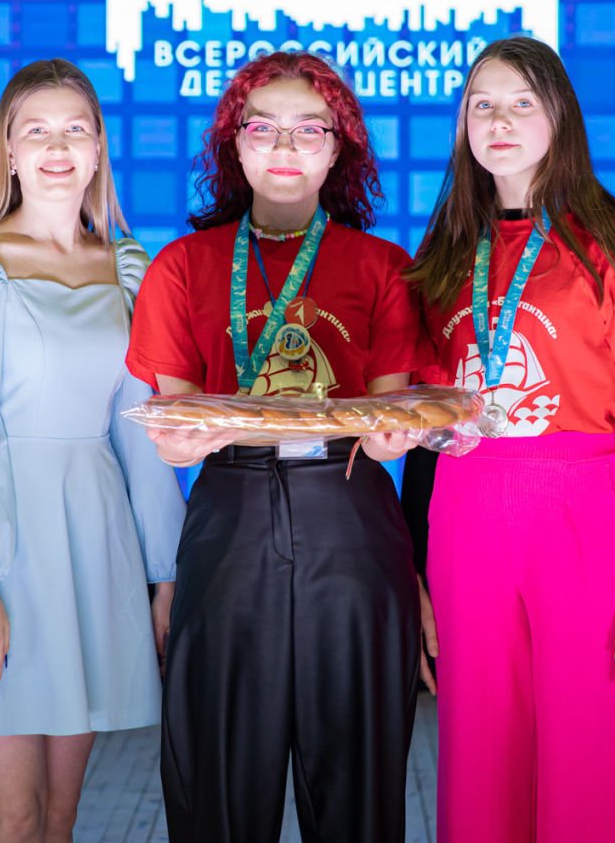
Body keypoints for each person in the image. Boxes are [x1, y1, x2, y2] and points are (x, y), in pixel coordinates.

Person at [404, 36, 615, 843]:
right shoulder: (443, 255)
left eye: (521, 103)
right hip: (465, 526)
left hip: (582, 524)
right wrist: (414, 575)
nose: (499, 121)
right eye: (482, 105)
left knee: (589, 757)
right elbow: (429, 433)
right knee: (479, 761)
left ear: (561, 117)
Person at [125, 51, 432, 843]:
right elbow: (177, 430)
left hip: (352, 519)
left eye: (309, 130)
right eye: (263, 129)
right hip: (230, 520)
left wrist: (394, 432)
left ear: (339, 148)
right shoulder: (182, 267)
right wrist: (198, 434)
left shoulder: (384, 268)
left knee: (358, 784)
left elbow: (385, 421)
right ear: (234, 143)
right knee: (220, 783)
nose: (286, 147)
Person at [0, 59, 186, 843]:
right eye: (37, 130)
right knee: (13, 818)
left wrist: (165, 573)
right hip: (1, 551)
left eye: (75, 129)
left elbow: (141, 432)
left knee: (58, 817)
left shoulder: (128, 268)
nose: (57, 146)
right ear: (9, 151)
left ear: (98, 149)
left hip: (93, 549)